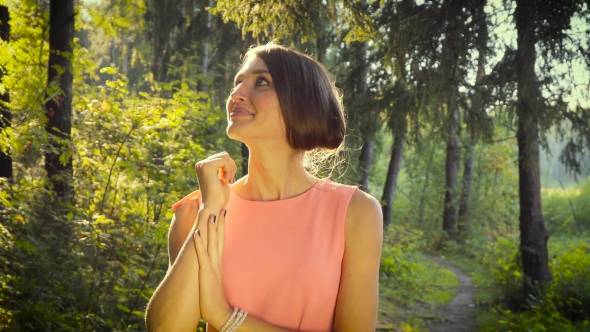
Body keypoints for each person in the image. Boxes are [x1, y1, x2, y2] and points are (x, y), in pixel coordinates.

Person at [145, 43, 383, 332]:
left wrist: (225, 318)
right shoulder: (197, 211)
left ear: (301, 101)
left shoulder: (355, 212)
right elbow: (165, 329)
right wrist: (210, 209)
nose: (236, 95)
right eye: (237, 83)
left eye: (261, 81)